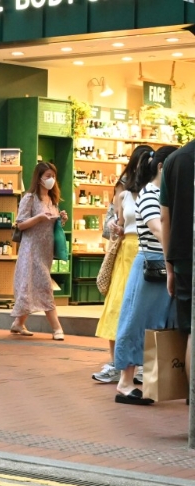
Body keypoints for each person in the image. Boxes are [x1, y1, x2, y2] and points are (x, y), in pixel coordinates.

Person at [112, 147, 178, 404]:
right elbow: (160, 231)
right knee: (138, 321)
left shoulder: (162, 194)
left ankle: (147, 380)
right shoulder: (150, 195)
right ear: (163, 167)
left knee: (159, 324)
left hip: (159, 266)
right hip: (151, 266)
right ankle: (125, 383)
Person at [92, 145, 153, 383]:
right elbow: (114, 222)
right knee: (116, 305)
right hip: (125, 252)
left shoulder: (156, 191)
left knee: (142, 307)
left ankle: (139, 365)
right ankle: (119, 363)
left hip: (148, 251)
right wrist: (114, 228)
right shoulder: (123, 192)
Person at [10, 162, 68, 339]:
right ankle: (57, 328)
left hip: (45, 250)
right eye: (47, 176)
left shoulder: (52, 200)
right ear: (39, 178)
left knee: (30, 286)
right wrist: (39, 218)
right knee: (43, 285)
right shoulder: (30, 198)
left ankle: (18, 323)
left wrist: (61, 219)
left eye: (53, 176)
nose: (51, 180)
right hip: (30, 249)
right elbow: (20, 223)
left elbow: (52, 224)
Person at [160, 138, 195, 396]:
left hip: (184, 260)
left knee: (191, 334)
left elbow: (164, 217)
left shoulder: (174, 161)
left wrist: (169, 268)